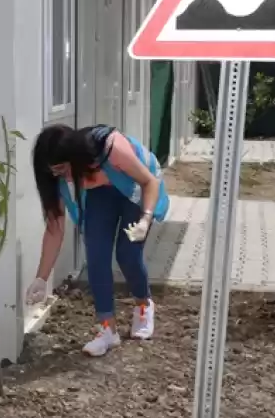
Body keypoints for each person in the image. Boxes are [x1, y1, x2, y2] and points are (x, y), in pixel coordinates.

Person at [26, 124, 169, 357]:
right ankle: (107, 331)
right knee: (96, 255)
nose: (60, 176)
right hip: (100, 192)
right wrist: (41, 278)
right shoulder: (59, 176)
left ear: (75, 156)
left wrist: (145, 219)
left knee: (127, 253)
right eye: (53, 172)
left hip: (135, 186)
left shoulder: (110, 148)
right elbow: (55, 228)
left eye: (62, 169)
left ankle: (143, 306)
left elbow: (148, 182)